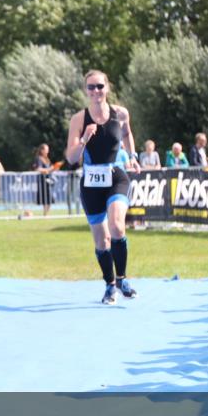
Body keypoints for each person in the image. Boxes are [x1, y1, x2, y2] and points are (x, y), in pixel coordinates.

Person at [65, 70, 140, 305]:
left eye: (99, 86)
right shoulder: (79, 119)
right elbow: (71, 157)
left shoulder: (120, 113)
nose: (95, 91)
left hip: (116, 175)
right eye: (91, 87)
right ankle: (110, 286)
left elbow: (127, 134)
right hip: (91, 182)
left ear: (107, 87)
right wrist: (85, 138)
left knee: (117, 225)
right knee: (102, 240)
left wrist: (133, 155)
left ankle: (122, 279)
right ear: (86, 91)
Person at [33, 143, 55, 216]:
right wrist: (48, 170)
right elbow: (38, 169)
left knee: (49, 199)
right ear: (42, 150)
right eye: (46, 150)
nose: (48, 151)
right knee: (46, 199)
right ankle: (45, 214)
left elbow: (50, 168)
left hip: (49, 181)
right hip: (43, 181)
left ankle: (46, 214)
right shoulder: (38, 158)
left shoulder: (47, 159)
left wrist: (54, 168)